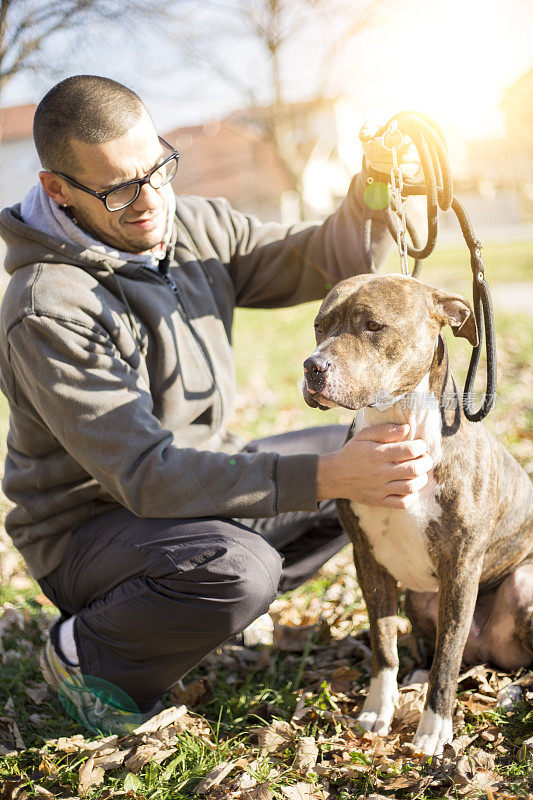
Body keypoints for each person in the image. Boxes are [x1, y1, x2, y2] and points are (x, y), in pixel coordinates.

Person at [0, 75, 431, 733]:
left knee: (359, 457)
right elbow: (145, 476)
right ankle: (89, 654)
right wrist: (329, 477)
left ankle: (190, 617)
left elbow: (320, 255)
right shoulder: (47, 308)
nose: (148, 201)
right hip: (90, 529)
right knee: (241, 568)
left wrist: (371, 190)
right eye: (118, 188)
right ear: (58, 188)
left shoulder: (192, 224)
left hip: (197, 481)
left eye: (156, 168)